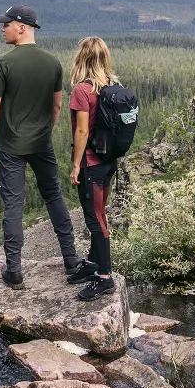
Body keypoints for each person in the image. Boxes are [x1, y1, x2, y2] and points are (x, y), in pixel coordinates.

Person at [0, 5, 82, 288]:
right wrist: (45, 131)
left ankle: (13, 271)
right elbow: (58, 105)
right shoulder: (53, 63)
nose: (2, 29)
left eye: (6, 24)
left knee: (13, 204)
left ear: (22, 27)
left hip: (12, 146)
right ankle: (71, 261)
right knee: (54, 197)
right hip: (42, 144)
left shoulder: (3, 63)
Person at [67, 36, 118, 301]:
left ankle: (105, 277)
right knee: (100, 213)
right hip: (109, 161)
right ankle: (93, 262)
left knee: (94, 217)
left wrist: (76, 165)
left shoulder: (82, 90)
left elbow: (83, 130)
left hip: (91, 164)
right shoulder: (114, 85)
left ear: (82, 58)